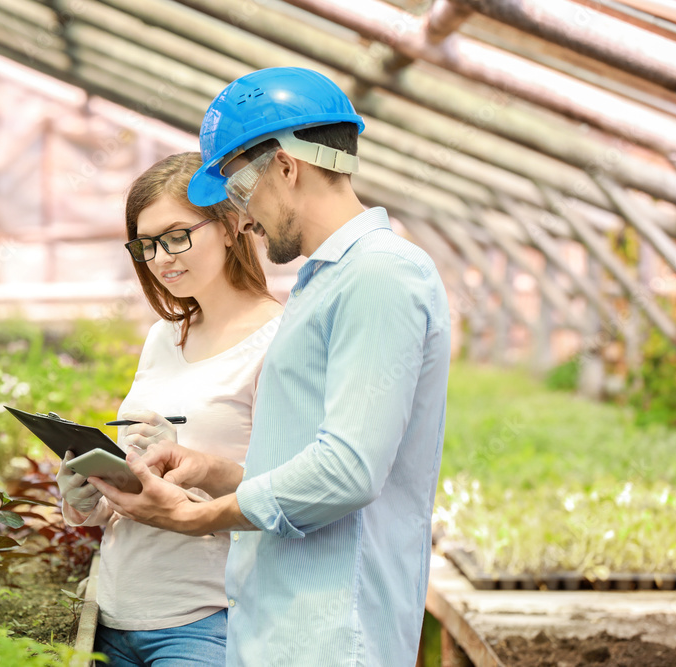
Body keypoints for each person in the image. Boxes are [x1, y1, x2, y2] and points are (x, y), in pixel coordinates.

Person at [90, 67, 452, 666]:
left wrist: (199, 517)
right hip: (281, 624)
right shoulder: (323, 282)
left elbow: (347, 470)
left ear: (286, 167)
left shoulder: (381, 273)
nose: (245, 220)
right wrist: (207, 468)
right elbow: (294, 464)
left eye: (239, 193)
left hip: (336, 632)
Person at [56, 152, 283, 666]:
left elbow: (293, 494)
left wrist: (198, 469)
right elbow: (137, 482)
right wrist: (88, 495)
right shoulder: (163, 337)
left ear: (229, 226)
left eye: (177, 235)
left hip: (205, 622)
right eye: (146, 245)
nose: (160, 258)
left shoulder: (278, 341)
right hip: (112, 615)